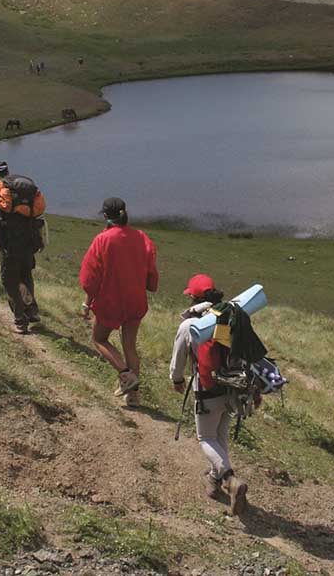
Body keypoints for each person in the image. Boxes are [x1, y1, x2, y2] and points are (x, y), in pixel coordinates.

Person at [170, 274, 249, 514]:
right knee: (220, 435)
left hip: (206, 390)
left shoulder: (189, 325)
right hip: (233, 387)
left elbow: (178, 358)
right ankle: (215, 481)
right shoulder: (230, 317)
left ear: (194, 297)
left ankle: (230, 479)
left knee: (205, 438)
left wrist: (176, 378)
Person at [79, 197, 158, 407]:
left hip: (111, 300)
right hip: (136, 300)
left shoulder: (103, 239)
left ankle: (125, 376)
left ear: (105, 216)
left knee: (99, 339)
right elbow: (151, 273)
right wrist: (149, 285)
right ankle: (134, 395)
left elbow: (90, 278)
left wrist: (88, 301)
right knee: (129, 345)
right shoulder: (142, 237)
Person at [0, 161, 43, 333]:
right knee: (25, 275)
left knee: (9, 280)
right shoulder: (22, 192)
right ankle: (31, 310)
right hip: (29, 241)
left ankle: (20, 319)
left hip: (9, 244)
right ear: (8, 173)